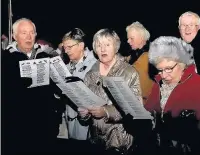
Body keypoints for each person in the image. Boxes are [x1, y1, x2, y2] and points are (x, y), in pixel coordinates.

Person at [78, 29, 143, 155]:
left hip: (120, 142)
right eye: (99, 45)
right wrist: (83, 113)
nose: (103, 49)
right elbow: (84, 110)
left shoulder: (129, 72)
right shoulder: (90, 75)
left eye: (107, 45)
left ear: (116, 47)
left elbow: (135, 109)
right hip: (95, 141)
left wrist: (106, 111)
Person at [2, 18, 61, 153]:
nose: (29, 37)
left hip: (45, 126)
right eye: (23, 33)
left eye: (32, 32)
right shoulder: (5, 59)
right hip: (16, 127)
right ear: (14, 36)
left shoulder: (46, 56)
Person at [145, 36, 200, 155]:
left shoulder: (197, 85)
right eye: (160, 70)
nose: (164, 75)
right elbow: (148, 111)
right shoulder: (158, 83)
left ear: (182, 63)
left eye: (169, 69)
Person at [57, 28, 97, 146]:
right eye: (64, 48)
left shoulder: (94, 65)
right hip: (70, 118)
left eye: (69, 47)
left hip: (87, 120)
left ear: (81, 45)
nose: (66, 51)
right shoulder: (66, 66)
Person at [126, 21, 154, 104]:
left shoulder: (153, 56)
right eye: (128, 38)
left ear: (141, 38)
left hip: (147, 107)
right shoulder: (131, 57)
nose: (128, 41)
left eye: (131, 38)